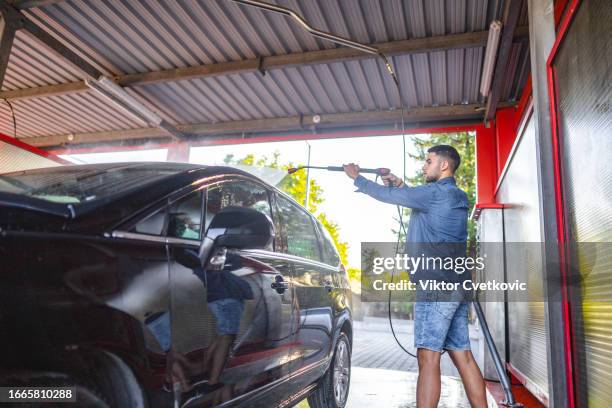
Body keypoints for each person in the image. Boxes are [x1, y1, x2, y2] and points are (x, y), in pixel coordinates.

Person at [343, 145, 487, 408]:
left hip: (435, 287)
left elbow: (387, 196)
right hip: (457, 285)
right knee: (462, 356)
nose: (424, 166)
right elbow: (415, 198)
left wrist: (357, 177)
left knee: (427, 356)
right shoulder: (456, 195)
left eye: (429, 161)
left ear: (444, 166)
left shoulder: (433, 194)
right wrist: (400, 184)